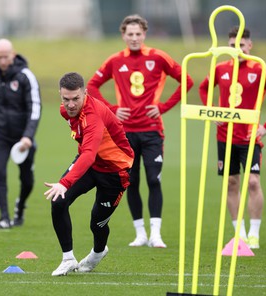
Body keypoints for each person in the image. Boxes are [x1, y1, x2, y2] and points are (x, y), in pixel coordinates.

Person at [87, 14, 193, 248]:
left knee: (154, 180)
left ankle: (156, 234)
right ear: (123, 35)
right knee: (130, 182)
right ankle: (140, 234)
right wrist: (113, 110)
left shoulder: (158, 57)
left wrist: (163, 107)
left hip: (152, 131)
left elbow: (186, 80)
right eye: (130, 34)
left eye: (138, 34)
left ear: (144, 34)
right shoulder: (115, 60)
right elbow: (92, 86)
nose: (134, 38)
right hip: (124, 134)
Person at [199, 27, 266, 249]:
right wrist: (212, 111)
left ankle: (254, 234)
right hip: (225, 137)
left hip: (250, 138)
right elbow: (203, 88)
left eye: (241, 45)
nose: (236, 49)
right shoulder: (220, 69)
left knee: (253, 182)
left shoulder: (260, 69)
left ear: (249, 46)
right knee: (231, 183)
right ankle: (239, 233)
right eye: (232, 45)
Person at [44, 72, 134, 276]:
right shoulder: (65, 111)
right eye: (66, 99)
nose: (71, 104)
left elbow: (89, 154)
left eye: (76, 98)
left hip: (115, 171)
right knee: (58, 201)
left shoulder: (93, 116)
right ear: (60, 95)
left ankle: (98, 252)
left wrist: (65, 182)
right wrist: (64, 186)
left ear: (85, 93)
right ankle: (68, 258)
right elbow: (86, 153)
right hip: (91, 165)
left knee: (97, 222)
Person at [0, 38, 41, 229]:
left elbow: (35, 107)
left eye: (6, 56)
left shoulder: (25, 76)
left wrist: (28, 135)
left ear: (13, 54)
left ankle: (19, 207)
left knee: (27, 180)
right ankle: (4, 218)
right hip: (0, 136)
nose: (3, 60)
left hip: (23, 137)